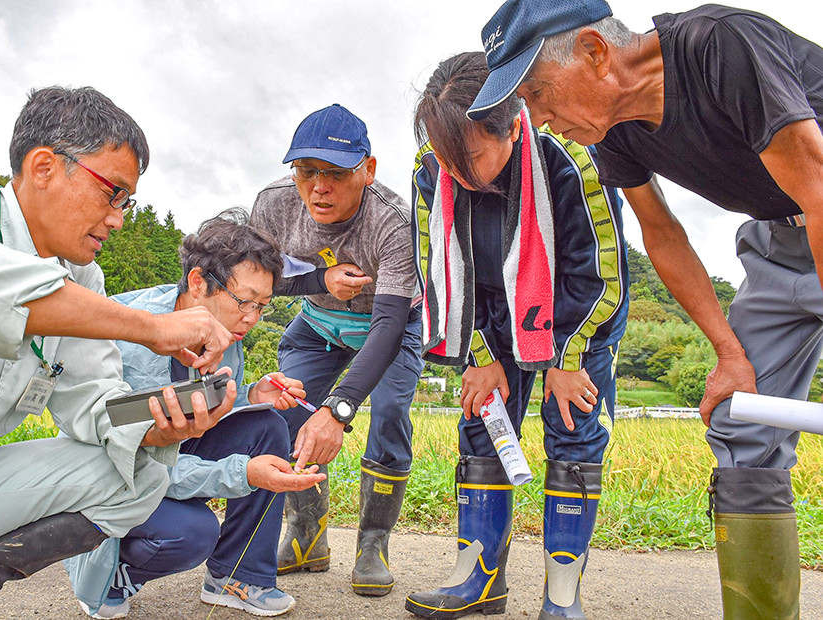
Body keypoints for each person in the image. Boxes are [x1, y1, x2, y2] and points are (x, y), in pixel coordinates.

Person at [470, 0, 823, 617]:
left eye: (539, 93)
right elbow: (661, 234)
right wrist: (728, 353)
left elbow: (815, 184)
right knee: (740, 421)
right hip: (778, 240)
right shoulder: (618, 133)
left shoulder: (719, 44)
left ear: (594, 52)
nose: (542, 121)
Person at [0, 86, 240, 620]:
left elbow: (96, 403)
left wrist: (158, 424)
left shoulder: (83, 280)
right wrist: (149, 327)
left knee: (138, 477)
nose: (120, 218)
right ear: (44, 167)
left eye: (128, 202)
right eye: (113, 193)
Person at [405, 52, 628, 620]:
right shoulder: (432, 169)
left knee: (573, 429)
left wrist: (565, 356)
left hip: (576, 313)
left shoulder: (572, 160)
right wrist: (479, 355)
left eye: (472, 155)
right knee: (483, 423)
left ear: (510, 126)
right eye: (446, 156)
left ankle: (562, 594)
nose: (455, 171)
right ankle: (478, 578)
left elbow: (599, 273)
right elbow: (441, 272)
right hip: (490, 314)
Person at [66, 209, 325, 619]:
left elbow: (204, 420)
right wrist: (243, 474)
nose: (252, 319)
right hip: (114, 476)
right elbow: (133, 462)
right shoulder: (126, 337)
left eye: (262, 306)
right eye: (244, 302)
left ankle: (239, 576)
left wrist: (251, 396)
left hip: (169, 458)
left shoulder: (228, 331)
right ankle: (105, 570)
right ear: (199, 282)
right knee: (192, 533)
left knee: (266, 425)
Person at [249, 104, 424, 596]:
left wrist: (339, 409)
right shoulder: (274, 204)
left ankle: (373, 544)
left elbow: (389, 325)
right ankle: (306, 536)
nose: (318, 188)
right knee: (287, 413)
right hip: (319, 323)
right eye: (307, 172)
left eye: (335, 174)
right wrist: (317, 279)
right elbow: (253, 281)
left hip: (387, 326)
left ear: (367, 170)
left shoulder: (395, 223)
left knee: (389, 414)